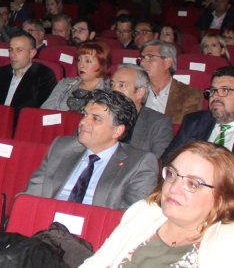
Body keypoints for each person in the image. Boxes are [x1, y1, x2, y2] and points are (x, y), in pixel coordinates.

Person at [80, 140, 234, 268]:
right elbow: (96, 263)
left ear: (221, 198)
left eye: (193, 184)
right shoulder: (143, 213)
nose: (174, 188)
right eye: (172, 174)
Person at [21, 89, 158, 210]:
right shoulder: (61, 147)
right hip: (45, 225)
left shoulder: (139, 163)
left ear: (117, 131)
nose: (83, 122)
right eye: (85, 115)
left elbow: (133, 217)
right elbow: (29, 197)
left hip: (93, 232)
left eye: (96, 119)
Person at [110, 63, 174, 158]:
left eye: (122, 85)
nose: (113, 90)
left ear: (140, 93)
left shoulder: (158, 124)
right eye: (112, 85)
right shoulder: (100, 115)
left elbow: (157, 164)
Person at [0, 31, 58, 109]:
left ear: (32, 53)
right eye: (11, 50)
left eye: (19, 50)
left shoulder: (44, 75)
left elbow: (42, 110)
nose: (12, 55)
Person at [140, 40, 204, 124]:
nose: (142, 63)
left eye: (150, 57)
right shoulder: (135, 89)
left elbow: (187, 132)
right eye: (142, 58)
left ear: (167, 63)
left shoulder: (189, 95)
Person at [42, 40, 112, 111]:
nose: (81, 65)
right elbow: (44, 111)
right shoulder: (65, 83)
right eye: (79, 60)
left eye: (88, 61)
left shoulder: (110, 90)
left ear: (102, 65)